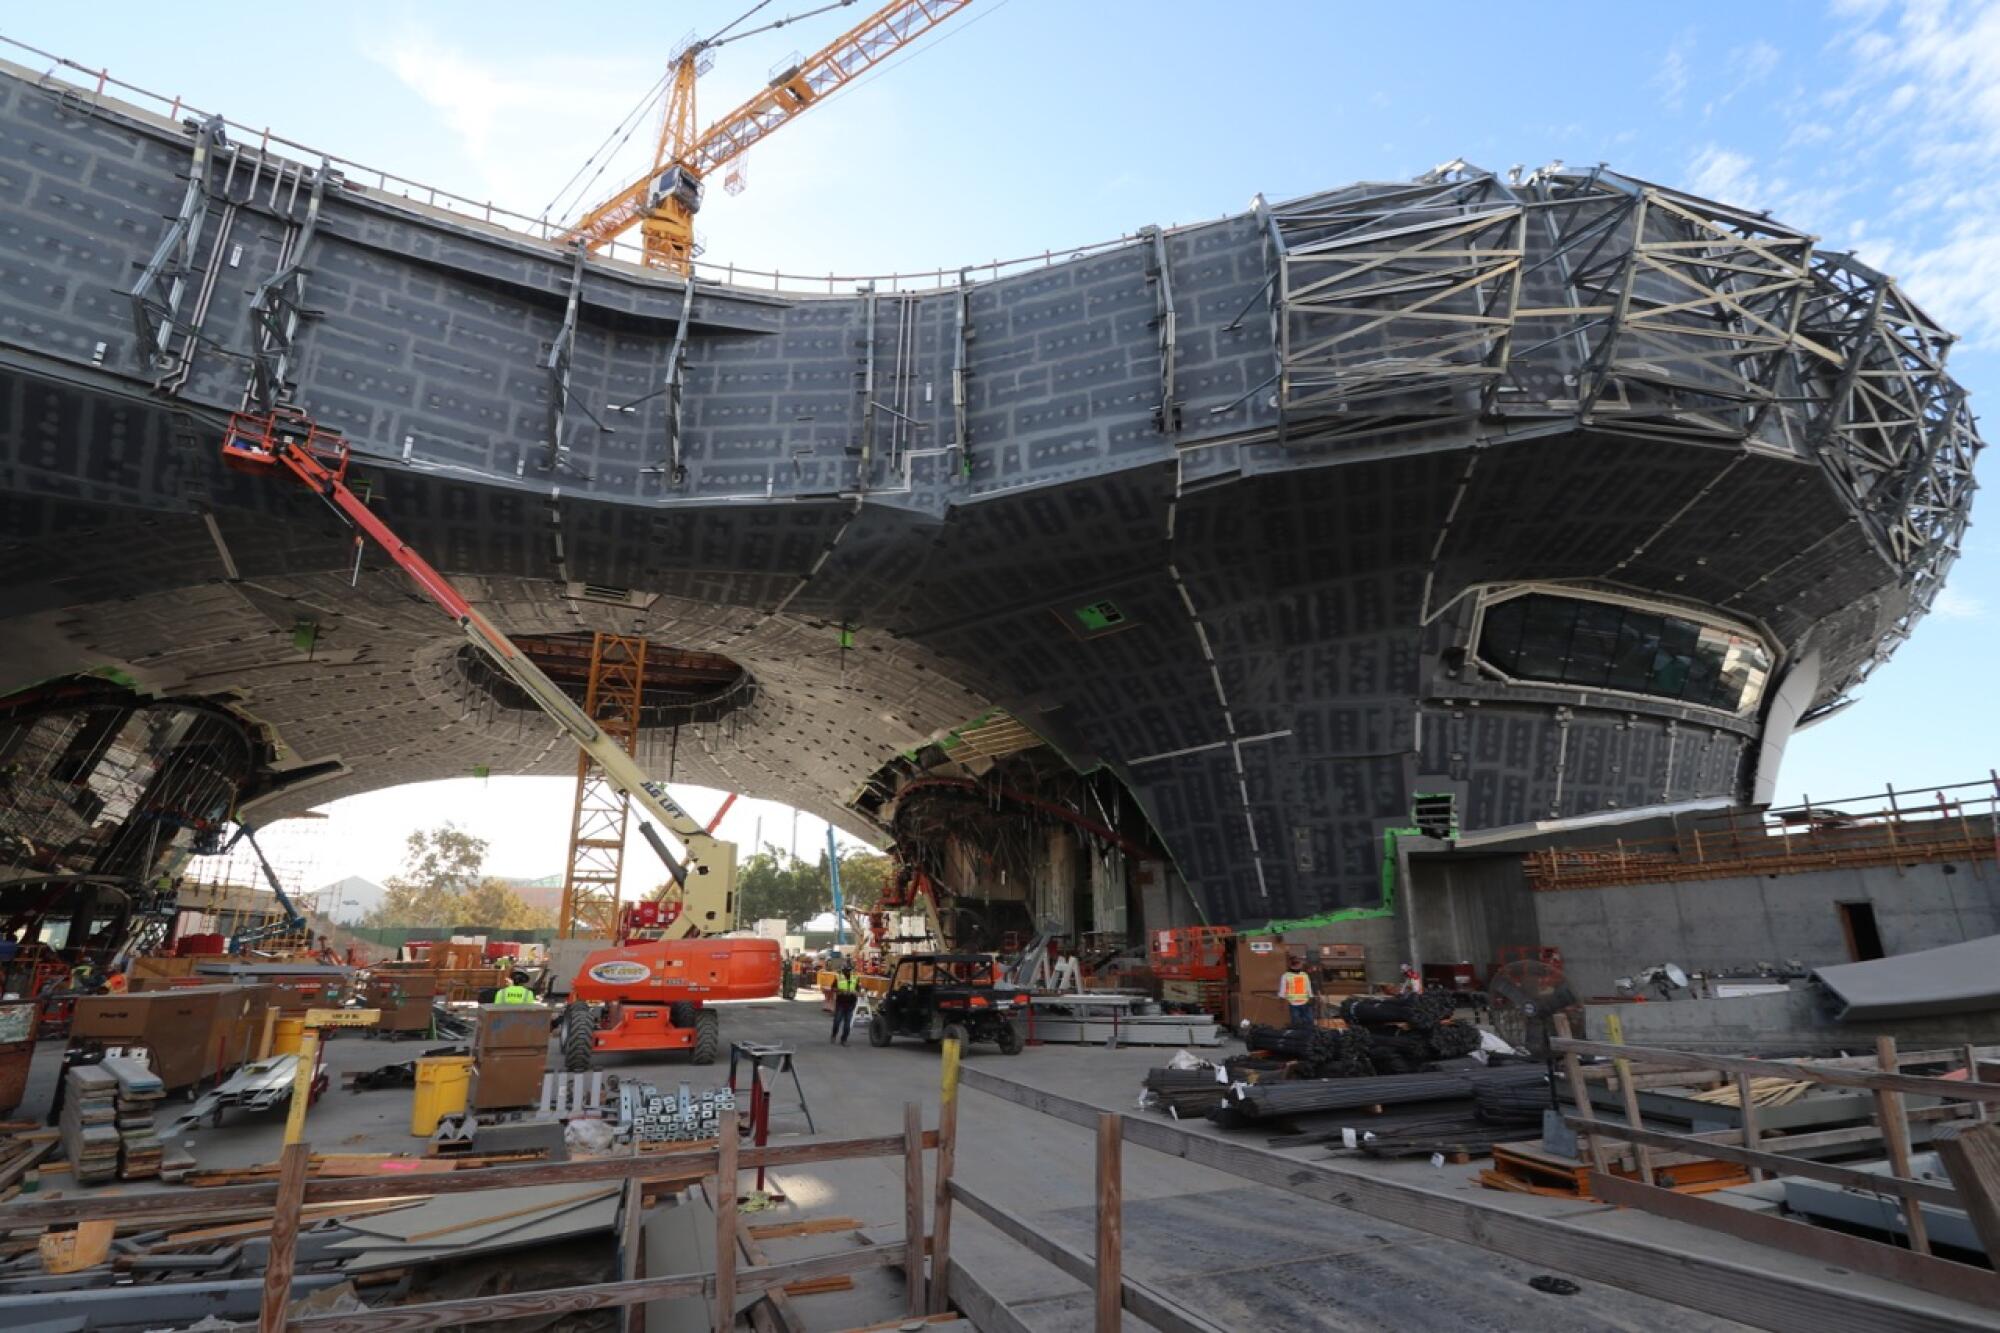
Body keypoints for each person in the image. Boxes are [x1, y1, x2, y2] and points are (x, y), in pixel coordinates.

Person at [1279, 954, 1315, 1028]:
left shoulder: (1304, 975)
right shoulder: (1286, 976)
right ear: (1295, 965)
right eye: (1299, 964)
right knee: (1297, 1024)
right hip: (1294, 1004)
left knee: (1309, 1022)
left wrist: (1311, 998)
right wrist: (1282, 1003)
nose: (1301, 965)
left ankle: (1309, 1036)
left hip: (1305, 1003)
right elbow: (1282, 991)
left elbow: (1308, 988)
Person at [830, 959, 860, 1045]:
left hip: (851, 1003)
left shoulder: (855, 978)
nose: (847, 972)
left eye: (849, 970)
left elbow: (858, 990)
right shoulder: (839, 977)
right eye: (846, 970)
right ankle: (834, 1035)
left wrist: (856, 993)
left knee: (847, 1024)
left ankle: (844, 1039)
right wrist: (841, 990)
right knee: (837, 1021)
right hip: (841, 1003)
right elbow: (833, 988)